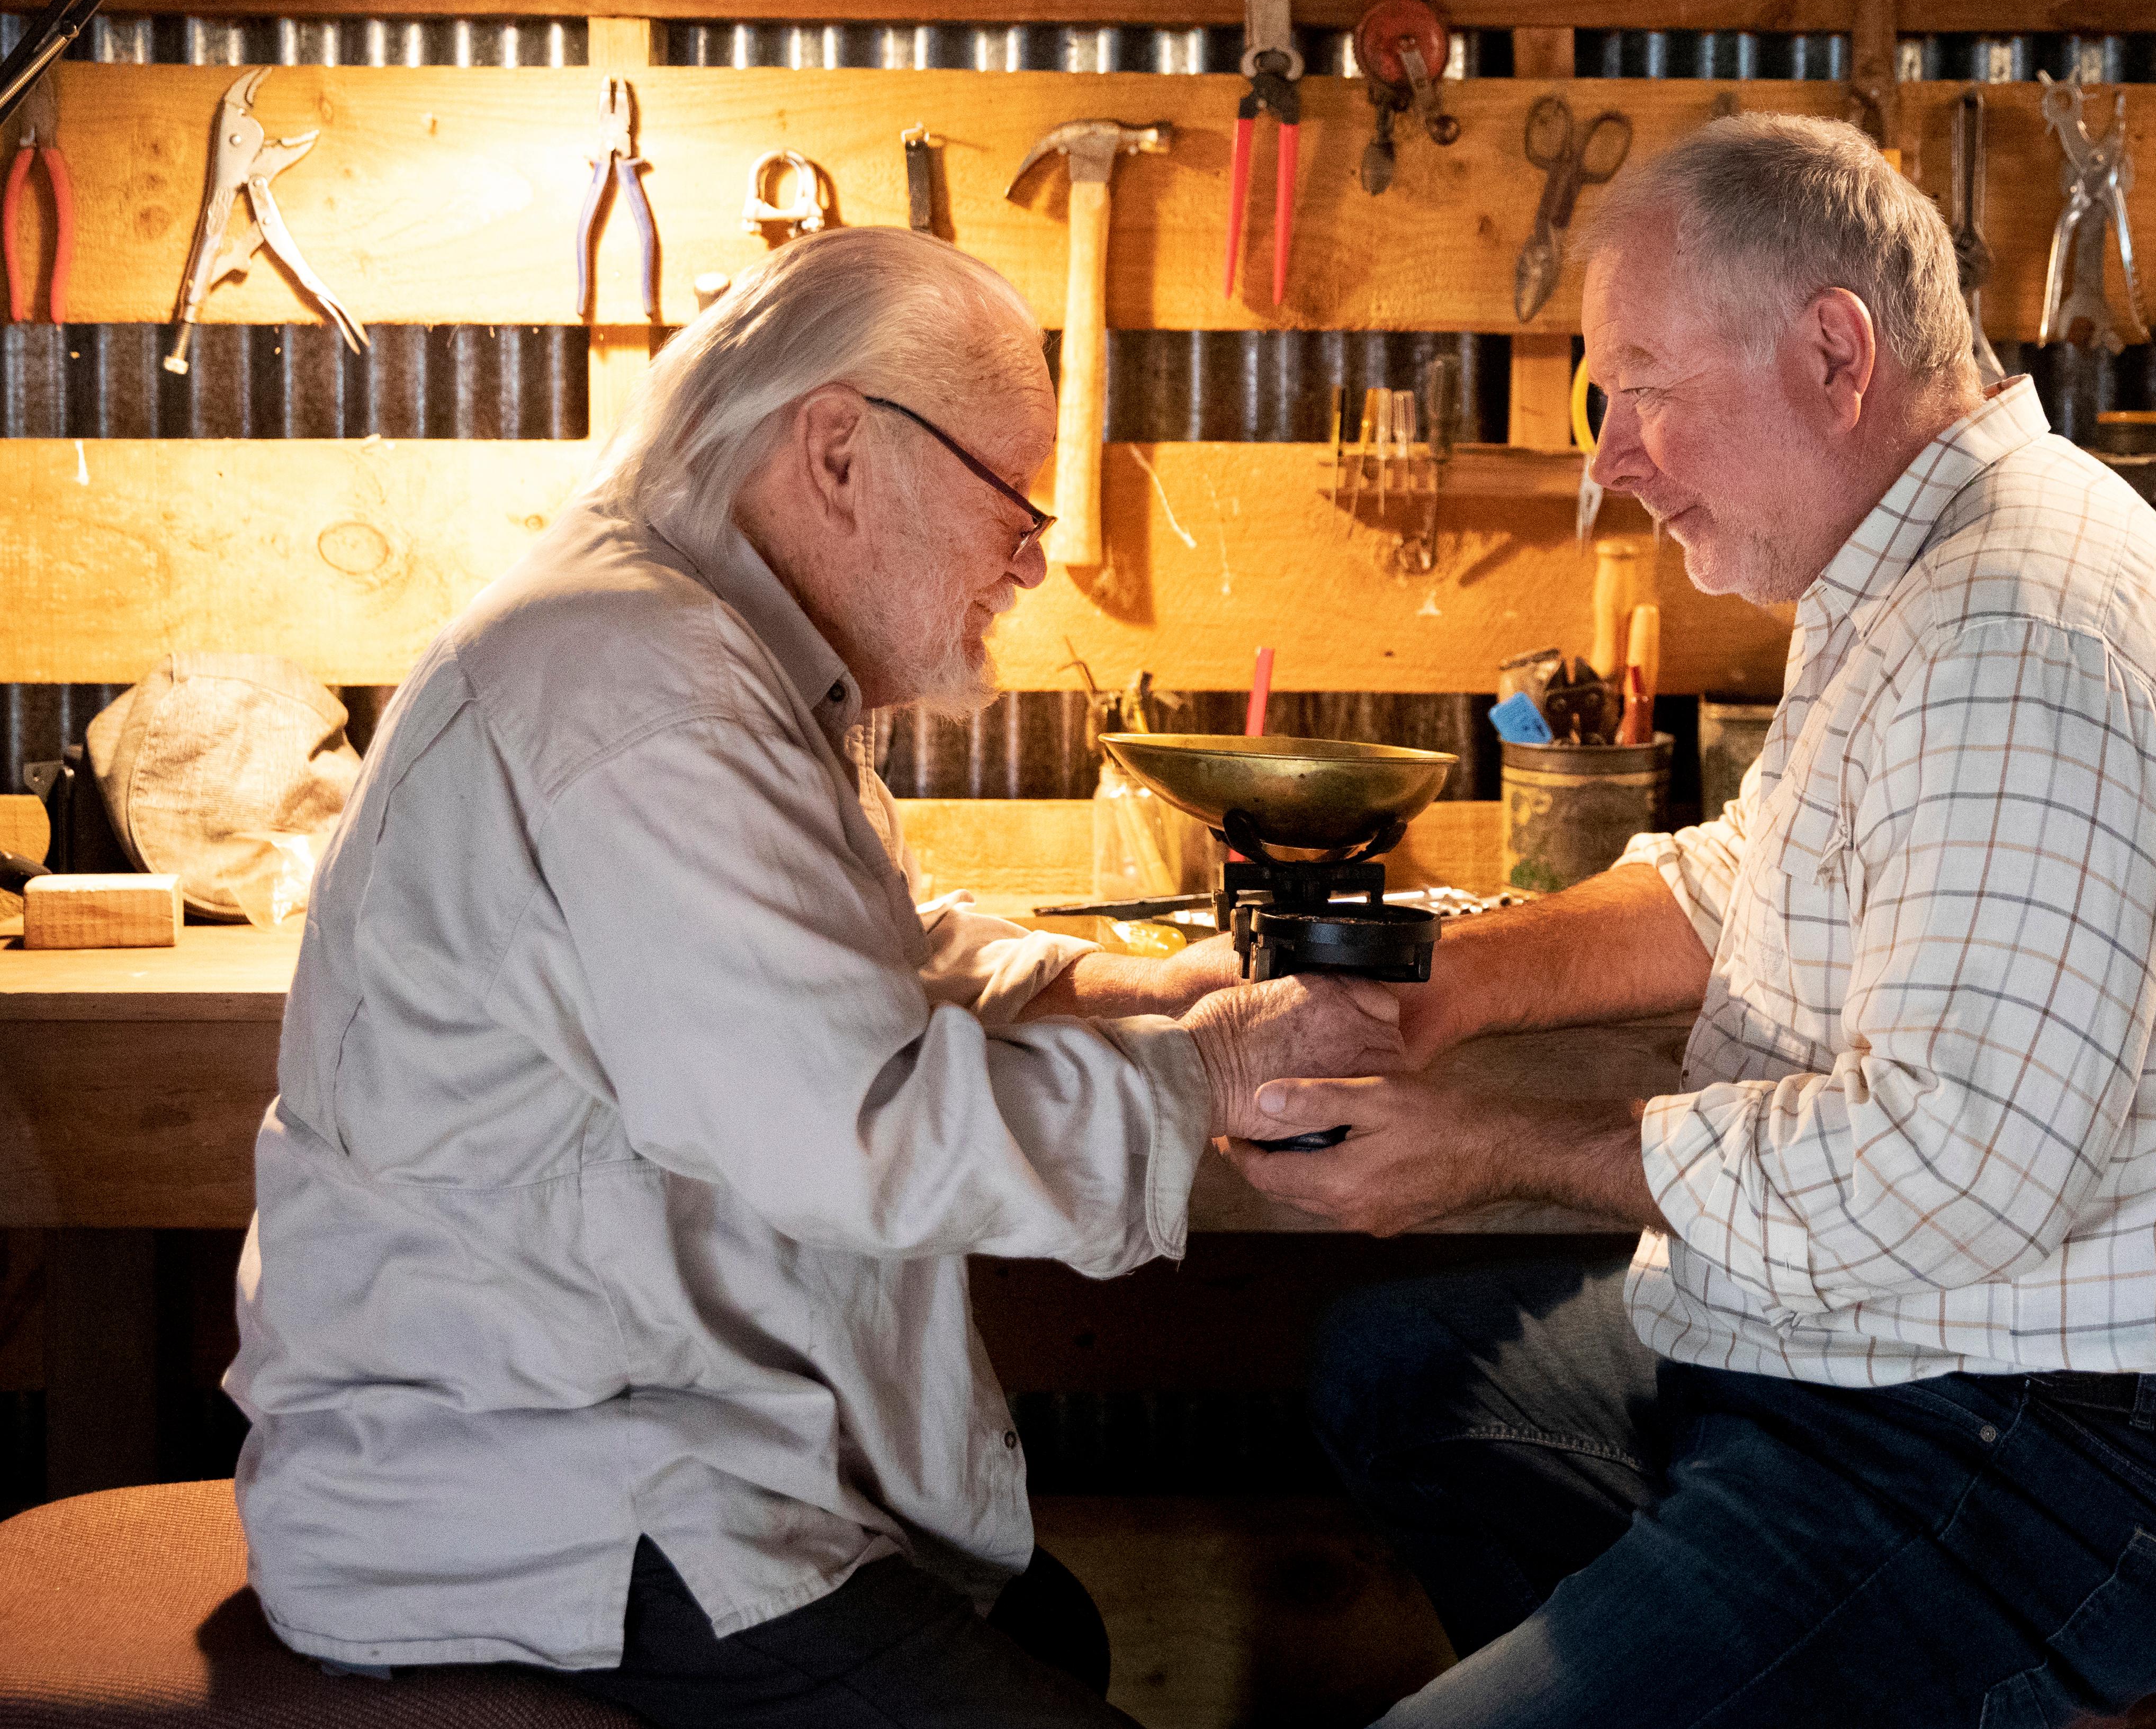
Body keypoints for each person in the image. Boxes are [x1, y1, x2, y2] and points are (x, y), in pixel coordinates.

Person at [1230, 113, 2156, 1727]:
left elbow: (1941, 1169)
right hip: (1872, 1358)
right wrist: (1449, 986)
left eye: (1644, 388)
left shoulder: (2017, 635)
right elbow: (1752, 873)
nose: (1609, 459)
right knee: (1406, 1377)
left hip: (2028, 1452)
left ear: (1834, 351)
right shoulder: (1905, 564)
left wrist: (1499, 1141)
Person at [224, 227, 1382, 1728]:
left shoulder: (692, 645)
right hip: (537, 1485)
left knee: (1049, 1626)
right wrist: (1213, 1071)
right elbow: (856, 1121)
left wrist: (1111, 989)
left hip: (629, 1424)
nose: (1034, 554)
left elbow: (825, 960)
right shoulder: (639, 679)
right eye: (1015, 498)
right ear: (839, 450)